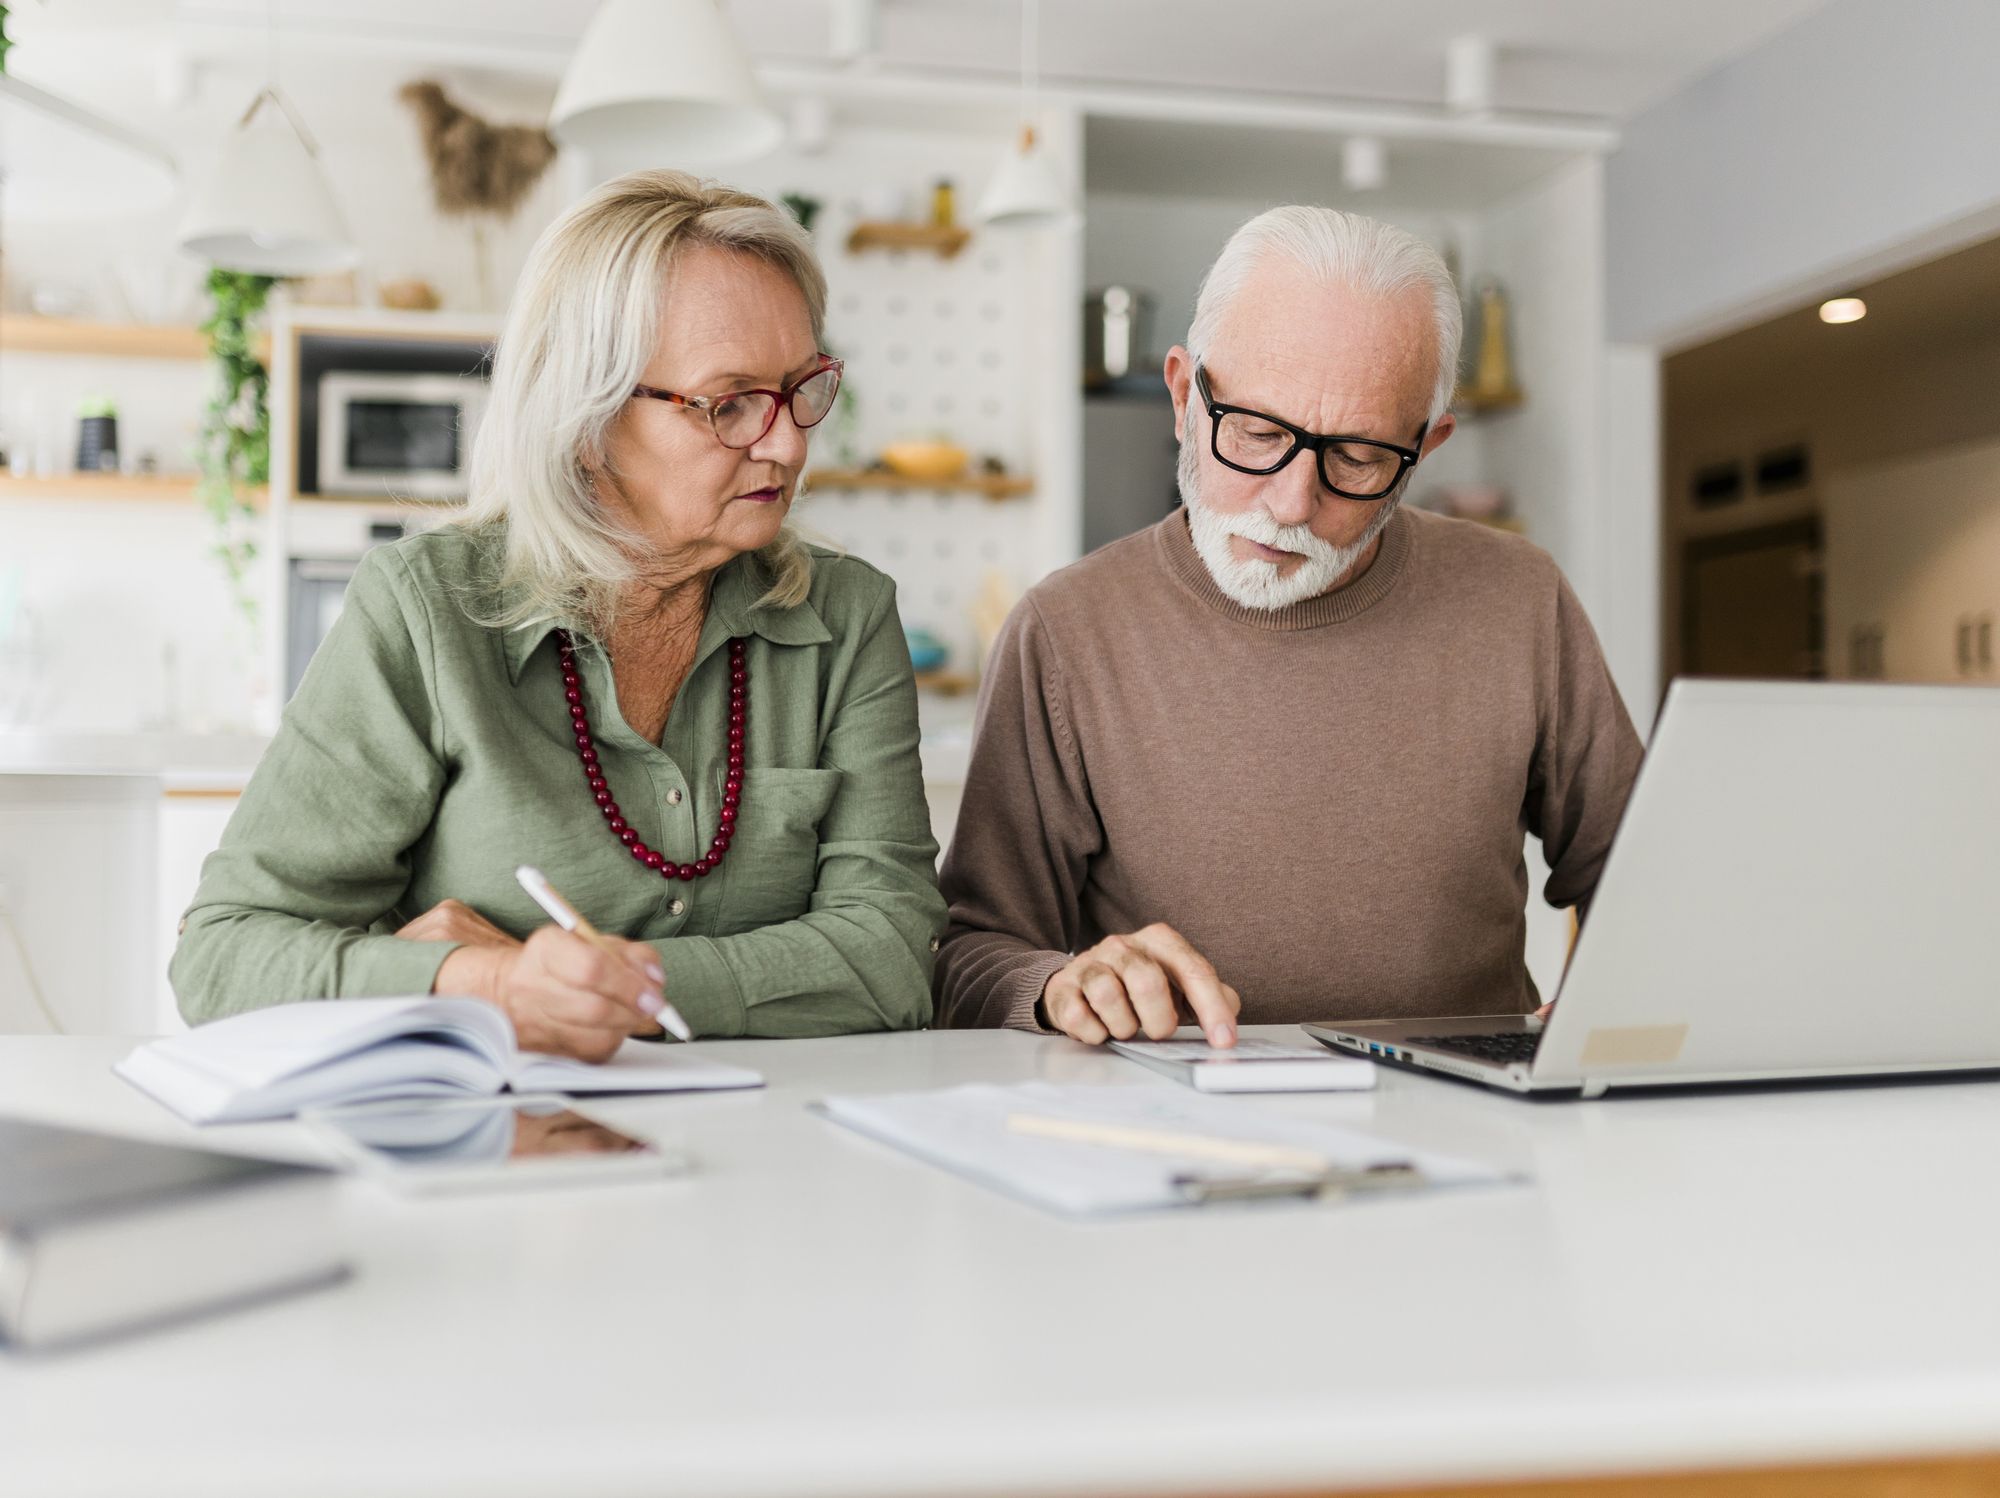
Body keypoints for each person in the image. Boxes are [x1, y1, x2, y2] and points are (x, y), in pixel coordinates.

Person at [173, 170, 945, 1056]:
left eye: (802, 388)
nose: (788, 440)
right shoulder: (427, 610)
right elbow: (224, 958)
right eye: (729, 403)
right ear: (587, 414)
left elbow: (892, 953)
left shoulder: (848, 616)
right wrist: (482, 986)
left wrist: (601, 987)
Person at [935, 206, 1642, 1047]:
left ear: (1431, 443)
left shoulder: (1519, 598)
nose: (1291, 502)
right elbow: (968, 955)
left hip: (1476, 1116)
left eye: (1357, 458)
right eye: (1258, 432)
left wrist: (1621, 1002)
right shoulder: (1066, 630)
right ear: (1181, 396)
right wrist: (1057, 984)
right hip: (1180, 1123)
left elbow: (1641, 873)